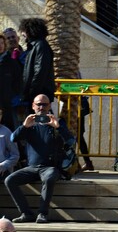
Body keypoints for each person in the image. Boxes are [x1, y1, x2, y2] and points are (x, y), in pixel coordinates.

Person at [5, 94, 75, 224]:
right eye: (38, 104)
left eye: (45, 104)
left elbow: (71, 141)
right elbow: (13, 139)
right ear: (33, 106)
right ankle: (26, 213)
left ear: (49, 106)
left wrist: (58, 127)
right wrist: (24, 126)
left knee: (48, 178)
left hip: (50, 168)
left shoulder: (57, 122)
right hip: (32, 168)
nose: (41, 107)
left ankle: (42, 213)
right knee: (10, 180)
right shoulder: (29, 123)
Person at [19, 17, 54, 103]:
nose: (22, 34)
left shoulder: (40, 46)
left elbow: (40, 71)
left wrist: (32, 91)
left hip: (39, 96)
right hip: (35, 94)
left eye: (23, 31)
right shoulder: (34, 46)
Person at [0, 33, 23, 130]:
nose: (0, 46)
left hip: (8, 105)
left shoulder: (10, 61)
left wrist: (14, 96)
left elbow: (19, 80)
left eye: (1, 43)